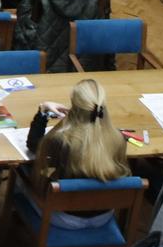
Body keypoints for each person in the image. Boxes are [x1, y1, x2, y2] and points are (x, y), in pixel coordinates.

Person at [22, 78, 131, 229]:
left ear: (74, 106)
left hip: (65, 217)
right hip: (103, 216)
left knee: (20, 177)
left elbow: (34, 145)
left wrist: (43, 110)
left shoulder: (61, 140)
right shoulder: (118, 138)